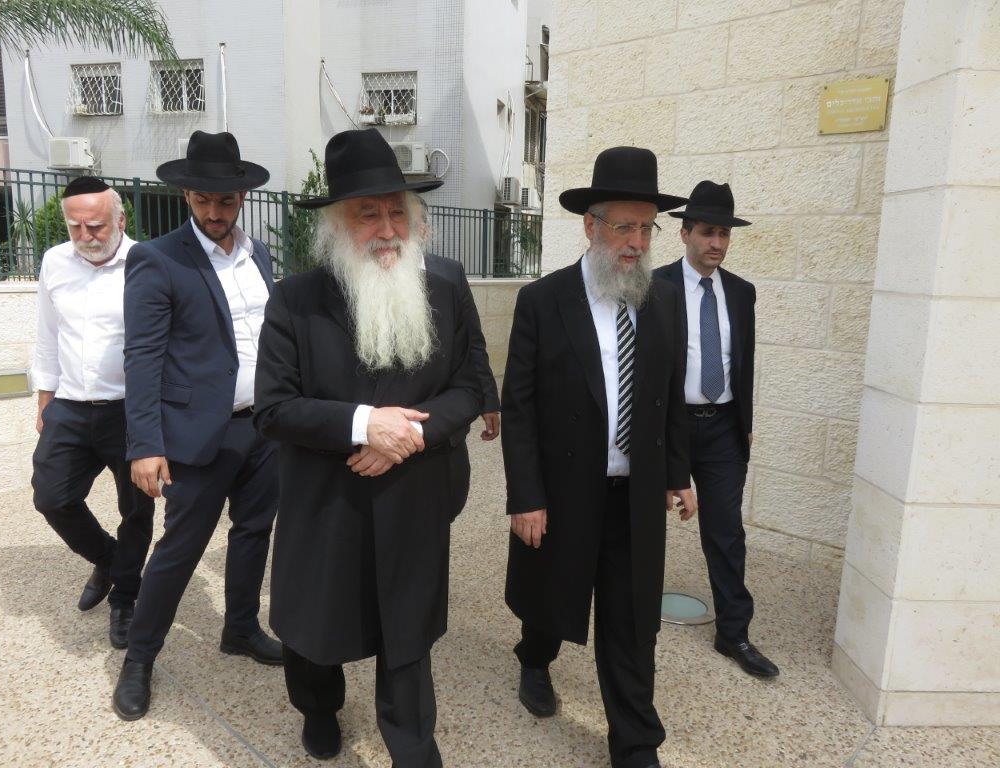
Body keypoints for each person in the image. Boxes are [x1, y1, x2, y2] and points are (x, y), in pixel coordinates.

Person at [253, 128, 481, 767]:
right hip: (328, 501)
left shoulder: (445, 286)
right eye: (368, 214)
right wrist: (363, 424)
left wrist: (408, 435)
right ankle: (319, 708)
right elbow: (273, 409)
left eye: (396, 212)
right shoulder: (294, 301)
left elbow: (469, 386)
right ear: (335, 224)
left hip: (413, 492)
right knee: (316, 629)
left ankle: (413, 745)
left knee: (407, 632)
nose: (387, 229)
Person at [502, 146, 696, 768]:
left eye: (647, 228)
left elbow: (669, 397)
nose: (637, 242)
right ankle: (535, 659)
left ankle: (636, 743)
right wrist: (526, 496)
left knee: (633, 621)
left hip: (635, 494)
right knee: (550, 597)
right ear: (590, 225)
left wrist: (678, 473)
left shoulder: (664, 300)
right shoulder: (543, 300)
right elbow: (519, 409)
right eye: (624, 227)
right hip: (564, 490)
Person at [112, 131, 282, 721]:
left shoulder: (259, 255)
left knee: (254, 531)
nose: (214, 211)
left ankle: (241, 628)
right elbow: (142, 358)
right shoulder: (157, 258)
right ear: (186, 195)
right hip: (195, 434)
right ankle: (139, 658)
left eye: (225, 200)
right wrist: (145, 444)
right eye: (203, 199)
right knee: (180, 549)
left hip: (263, 428)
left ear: (242, 197)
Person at [655, 180, 779, 678]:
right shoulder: (655, 287)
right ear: (684, 233)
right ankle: (633, 616)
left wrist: (744, 421)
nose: (717, 243)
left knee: (726, 532)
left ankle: (734, 633)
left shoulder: (742, 293)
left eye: (724, 234)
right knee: (643, 525)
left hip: (724, 428)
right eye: (708, 232)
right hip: (669, 426)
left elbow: (742, 362)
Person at [30, 176, 154, 649]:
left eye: (96, 225)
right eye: (75, 226)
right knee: (52, 497)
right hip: (70, 406)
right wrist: (45, 400)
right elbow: (47, 334)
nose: (85, 236)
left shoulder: (147, 263)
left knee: (135, 510)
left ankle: (125, 597)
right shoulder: (55, 262)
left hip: (130, 410)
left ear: (120, 219)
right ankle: (110, 559)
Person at [417, 196, 500, 520]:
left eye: (412, 223)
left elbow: (473, 341)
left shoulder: (449, 273)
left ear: (425, 230)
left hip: (445, 423)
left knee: (447, 507)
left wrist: (488, 401)